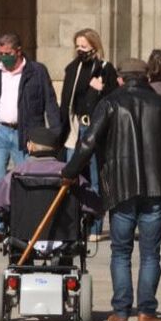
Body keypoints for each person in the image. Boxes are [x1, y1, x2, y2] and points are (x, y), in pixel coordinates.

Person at [64, 58, 161, 321]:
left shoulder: (110, 103)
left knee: (121, 251)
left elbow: (88, 142)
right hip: (156, 187)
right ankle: (146, 312)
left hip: (120, 188)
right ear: (147, 78)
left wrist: (69, 172)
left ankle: (120, 312)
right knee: (151, 253)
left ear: (120, 78)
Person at [0, 32, 59, 244]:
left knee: (27, 181)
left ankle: (28, 226)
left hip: (25, 133)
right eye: (1, 53)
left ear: (19, 51)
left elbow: (50, 101)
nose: (4, 57)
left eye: (8, 53)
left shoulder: (36, 71)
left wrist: (55, 133)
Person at [60, 30, 118, 239]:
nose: (80, 50)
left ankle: (95, 227)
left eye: (84, 46)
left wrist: (99, 90)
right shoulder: (73, 69)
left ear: (94, 46)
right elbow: (68, 102)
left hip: (94, 129)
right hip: (76, 129)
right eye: (77, 46)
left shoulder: (105, 69)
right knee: (71, 175)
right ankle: (73, 223)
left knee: (95, 178)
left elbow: (113, 99)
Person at [0, 125, 101, 227]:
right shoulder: (69, 173)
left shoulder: (17, 174)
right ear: (56, 149)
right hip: (65, 236)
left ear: (30, 147)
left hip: (25, 235)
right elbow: (95, 205)